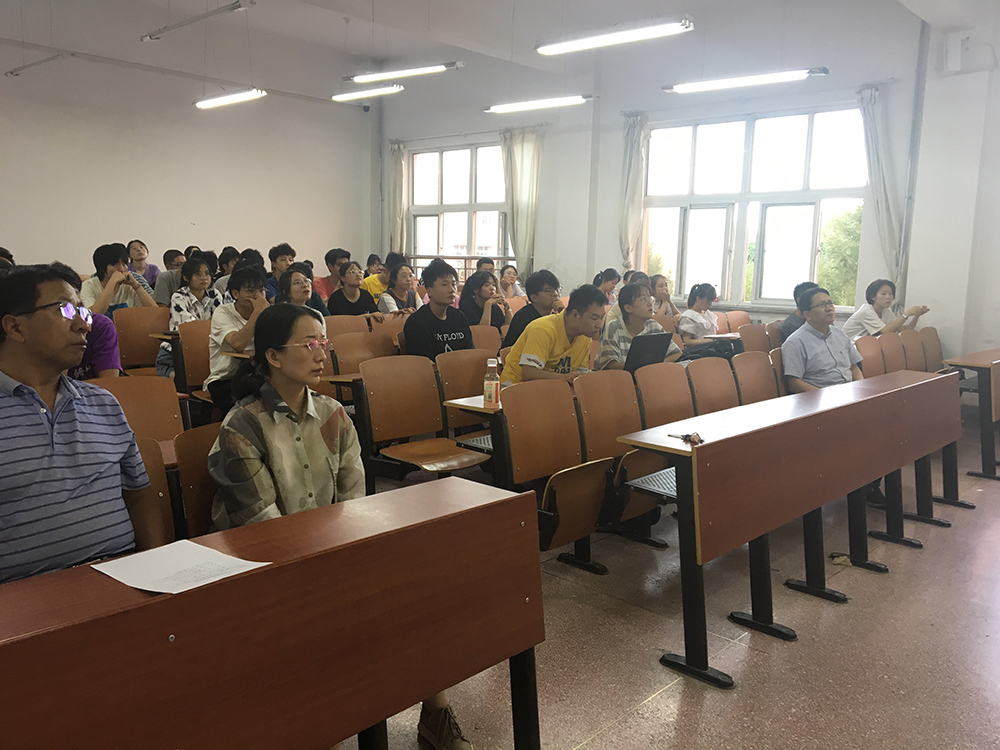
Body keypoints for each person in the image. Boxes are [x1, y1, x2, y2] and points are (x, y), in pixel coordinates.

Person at [210, 303, 473, 749]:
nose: (321, 353)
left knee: (417, 590)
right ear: (273, 356)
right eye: (309, 343)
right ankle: (328, 720)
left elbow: (354, 503)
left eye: (324, 342)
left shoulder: (334, 414)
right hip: (268, 570)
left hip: (332, 553)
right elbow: (262, 527)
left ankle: (436, 711)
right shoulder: (243, 426)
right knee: (350, 613)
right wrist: (329, 574)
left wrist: (351, 561)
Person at [0, 262, 153, 583]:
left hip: (124, 578)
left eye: (82, 312)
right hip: (24, 597)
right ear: (15, 328)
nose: (84, 325)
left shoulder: (103, 403)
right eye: (65, 310)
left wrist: (157, 574)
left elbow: (138, 495)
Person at [500, 284, 606, 386]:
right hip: (516, 387)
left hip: (553, 389)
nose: (599, 325)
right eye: (594, 318)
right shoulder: (543, 329)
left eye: (602, 318)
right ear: (575, 314)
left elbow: (579, 373)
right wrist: (563, 378)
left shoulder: (585, 336)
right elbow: (528, 373)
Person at [205, 263, 268, 415]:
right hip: (225, 380)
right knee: (265, 396)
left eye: (261, 290)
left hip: (258, 375)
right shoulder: (223, 312)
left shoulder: (268, 313)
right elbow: (237, 344)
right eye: (250, 291)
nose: (258, 296)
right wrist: (258, 313)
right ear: (235, 294)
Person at [782, 286, 863, 392]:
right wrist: (824, 397)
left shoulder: (839, 334)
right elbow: (794, 383)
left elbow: (854, 367)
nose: (829, 308)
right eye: (822, 305)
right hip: (819, 396)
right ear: (807, 314)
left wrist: (860, 389)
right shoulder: (795, 342)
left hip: (849, 392)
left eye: (830, 303)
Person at [156, 256, 223, 377]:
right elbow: (190, 328)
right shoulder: (179, 297)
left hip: (205, 351)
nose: (204, 278)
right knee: (183, 379)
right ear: (186, 278)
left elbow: (220, 322)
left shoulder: (215, 295)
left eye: (207, 274)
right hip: (174, 354)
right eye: (198, 274)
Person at [595, 283, 681, 370]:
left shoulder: (653, 326)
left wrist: (652, 367)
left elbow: (676, 353)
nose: (649, 303)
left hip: (645, 376)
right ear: (628, 308)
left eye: (649, 298)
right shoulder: (614, 327)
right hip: (618, 377)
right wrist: (642, 369)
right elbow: (611, 364)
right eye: (643, 299)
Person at [403, 259, 474, 361]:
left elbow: (470, 352)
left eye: (453, 284)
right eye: (444, 284)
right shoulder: (416, 323)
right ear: (429, 290)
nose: (451, 290)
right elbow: (422, 363)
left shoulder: (459, 317)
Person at [64, 272, 121, 380]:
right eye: (64, 310)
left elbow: (109, 384)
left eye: (79, 309)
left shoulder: (100, 326)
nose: (86, 326)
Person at [80, 243, 158, 317]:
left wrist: (136, 285)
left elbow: (155, 313)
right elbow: (93, 316)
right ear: (102, 268)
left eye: (124, 264)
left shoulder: (129, 285)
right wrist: (112, 282)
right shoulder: (89, 286)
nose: (122, 269)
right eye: (115, 264)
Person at [842, 278, 930, 341]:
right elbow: (884, 333)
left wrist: (916, 316)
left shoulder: (885, 311)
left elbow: (904, 330)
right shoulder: (866, 311)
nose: (888, 297)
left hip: (865, 348)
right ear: (873, 297)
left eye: (890, 294)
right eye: (883, 294)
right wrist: (906, 314)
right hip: (849, 348)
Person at [502, 269, 561, 348]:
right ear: (534, 297)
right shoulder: (524, 317)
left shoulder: (556, 316)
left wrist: (563, 313)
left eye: (557, 289)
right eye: (549, 290)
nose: (555, 294)